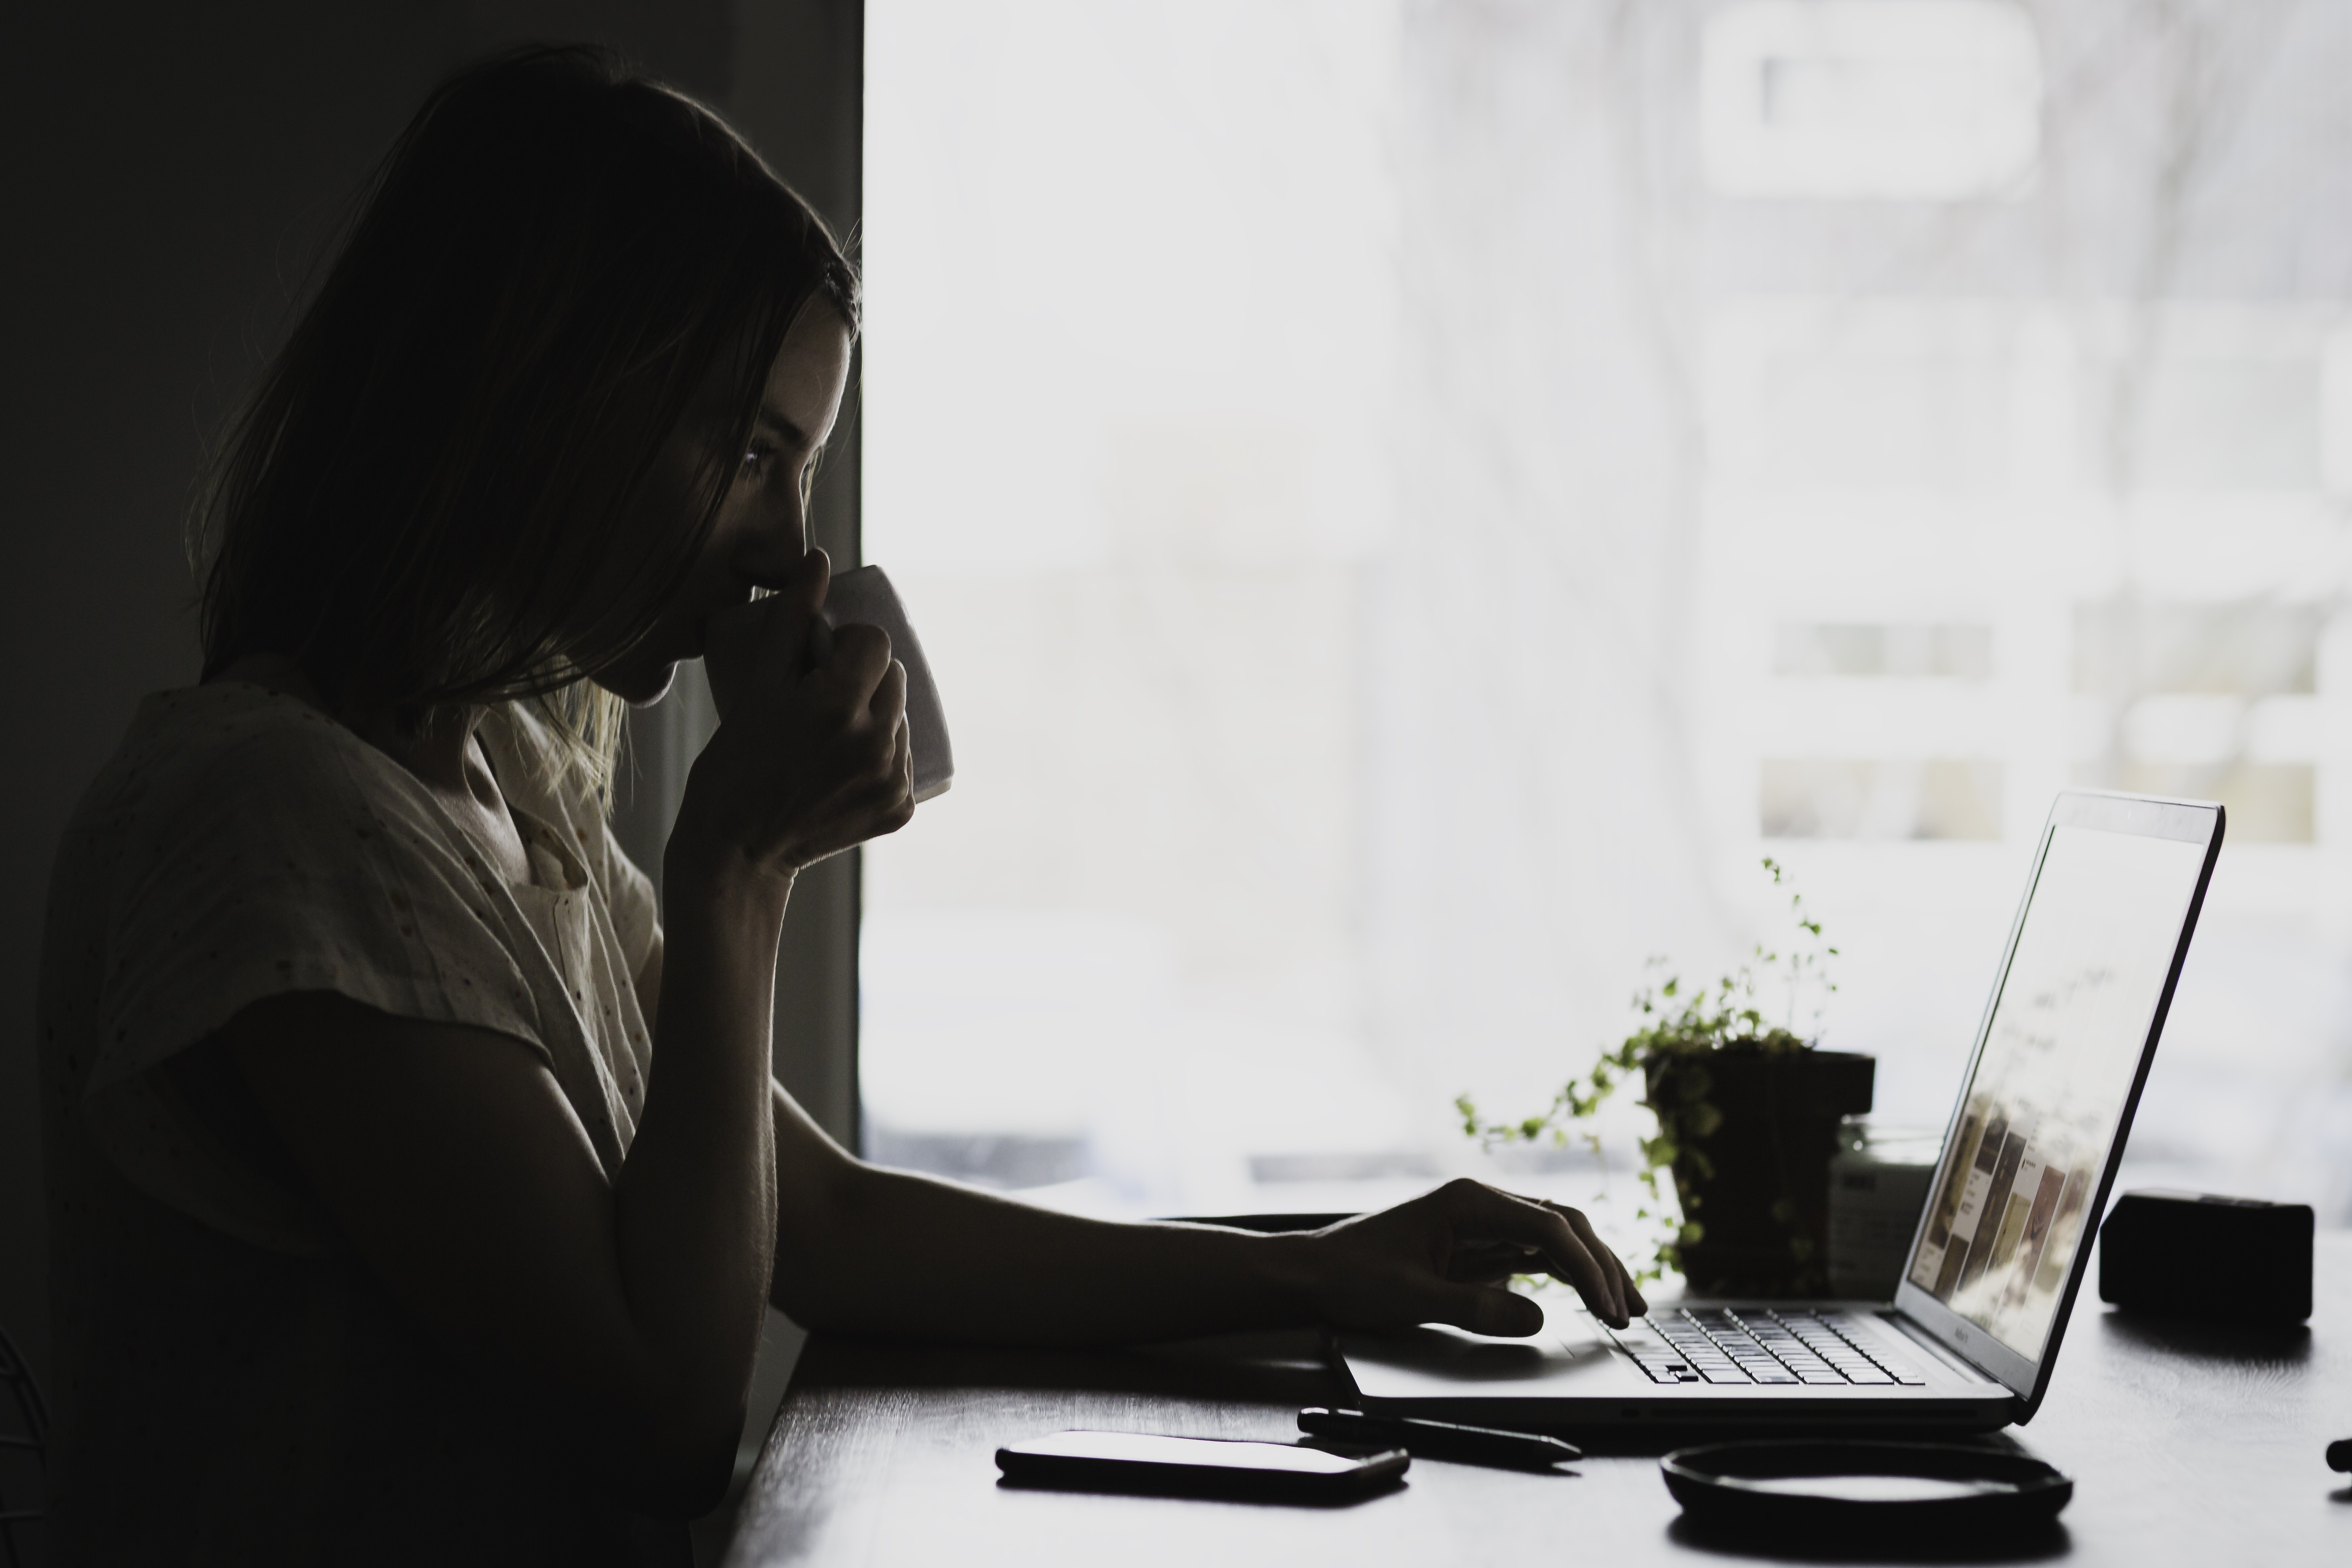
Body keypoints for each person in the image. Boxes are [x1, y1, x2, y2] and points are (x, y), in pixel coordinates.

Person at [35, 46, 1642, 1565]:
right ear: (547, 404)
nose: (790, 552)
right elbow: (658, 1411)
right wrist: (739, 859)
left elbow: (825, 1222)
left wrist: (1328, 1266)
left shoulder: (502, 790)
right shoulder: (277, 820)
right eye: (752, 451)